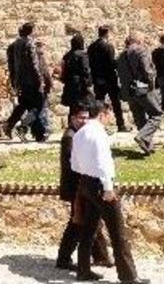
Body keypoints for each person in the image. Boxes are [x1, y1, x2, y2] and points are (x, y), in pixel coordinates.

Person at [71, 100, 147, 284]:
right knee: (118, 232)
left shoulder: (79, 133)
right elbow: (104, 163)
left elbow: (74, 163)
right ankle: (128, 276)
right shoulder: (99, 134)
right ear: (103, 114)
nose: (111, 118)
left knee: (88, 229)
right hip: (100, 185)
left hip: (86, 182)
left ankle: (83, 270)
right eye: (110, 114)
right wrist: (108, 188)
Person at [55, 101, 111, 272]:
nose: (84, 121)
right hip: (76, 187)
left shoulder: (78, 134)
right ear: (72, 118)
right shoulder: (70, 137)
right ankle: (64, 258)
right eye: (81, 118)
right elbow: (73, 166)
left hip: (81, 186)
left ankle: (100, 256)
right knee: (78, 222)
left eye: (87, 118)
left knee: (88, 221)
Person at [116, 34, 163, 156]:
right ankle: (143, 137)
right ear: (138, 41)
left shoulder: (121, 56)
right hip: (142, 87)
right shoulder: (141, 51)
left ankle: (148, 146)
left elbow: (120, 75)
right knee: (157, 114)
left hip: (129, 90)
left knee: (140, 117)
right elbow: (148, 70)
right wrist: (152, 85)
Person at [4, 23, 45, 140]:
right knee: (37, 106)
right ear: (31, 31)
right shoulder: (29, 43)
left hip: (21, 81)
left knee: (24, 105)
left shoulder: (14, 44)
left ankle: (11, 124)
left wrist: (14, 81)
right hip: (32, 81)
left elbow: (12, 65)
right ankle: (23, 127)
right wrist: (40, 80)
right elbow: (34, 64)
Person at [87, 26, 127, 131]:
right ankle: (120, 124)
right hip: (109, 79)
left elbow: (90, 63)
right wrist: (118, 63)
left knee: (99, 103)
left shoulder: (91, 47)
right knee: (116, 102)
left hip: (97, 78)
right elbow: (111, 63)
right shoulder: (108, 46)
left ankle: (96, 125)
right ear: (107, 33)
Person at [60, 33, 93, 112]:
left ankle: (71, 123)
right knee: (82, 108)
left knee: (72, 109)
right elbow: (86, 71)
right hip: (80, 86)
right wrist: (88, 83)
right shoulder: (82, 55)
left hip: (69, 85)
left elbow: (64, 71)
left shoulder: (67, 55)